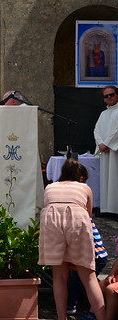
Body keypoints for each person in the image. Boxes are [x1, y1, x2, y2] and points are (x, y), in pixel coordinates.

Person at [39, 158, 106, 320]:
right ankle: (102, 317)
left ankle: (62, 317)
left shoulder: (50, 187)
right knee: (89, 277)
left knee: (59, 277)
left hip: (51, 222)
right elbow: (88, 216)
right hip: (77, 220)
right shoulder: (84, 187)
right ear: (81, 177)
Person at [66, 164, 109, 317]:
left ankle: (79, 306)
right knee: (85, 280)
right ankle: (85, 305)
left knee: (83, 280)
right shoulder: (81, 210)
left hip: (95, 254)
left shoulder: (78, 216)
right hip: (97, 253)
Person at [94, 85, 118, 214]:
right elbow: (96, 130)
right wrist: (100, 144)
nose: (109, 97)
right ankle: (107, 209)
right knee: (106, 179)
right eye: (106, 96)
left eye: (112, 94)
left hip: (115, 151)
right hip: (105, 151)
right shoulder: (103, 114)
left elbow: (117, 132)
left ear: (117, 95)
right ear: (103, 99)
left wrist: (107, 144)